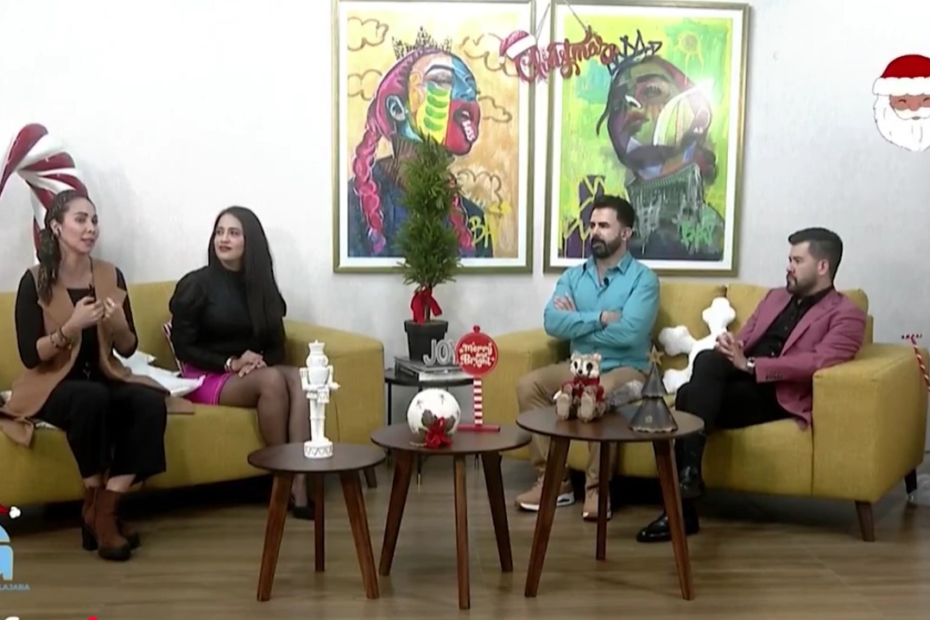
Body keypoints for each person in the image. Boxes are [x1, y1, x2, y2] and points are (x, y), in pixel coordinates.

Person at [636, 227, 867, 543]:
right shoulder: (775, 297)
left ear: (823, 266)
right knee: (707, 359)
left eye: (797, 261)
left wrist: (752, 365)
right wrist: (732, 346)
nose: (788, 266)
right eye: (789, 259)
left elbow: (817, 361)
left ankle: (681, 511)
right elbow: (745, 337)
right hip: (741, 375)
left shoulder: (847, 315)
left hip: (779, 393)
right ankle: (689, 477)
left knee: (689, 396)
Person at [0, 189, 187, 562]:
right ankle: (100, 510)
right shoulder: (34, 280)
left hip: (103, 376)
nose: (91, 228)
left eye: (94, 220)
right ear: (57, 227)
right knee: (90, 399)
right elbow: (30, 356)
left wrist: (119, 326)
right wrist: (71, 327)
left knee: (149, 403)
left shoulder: (109, 274)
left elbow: (128, 348)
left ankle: (103, 510)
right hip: (52, 385)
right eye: (81, 220)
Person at [515, 195, 660, 521]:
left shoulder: (643, 280)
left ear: (625, 233)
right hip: (579, 366)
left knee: (595, 392)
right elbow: (552, 323)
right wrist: (600, 318)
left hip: (628, 369)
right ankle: (555, 481)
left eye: (604, 225)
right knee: (528, 385)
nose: (594, 231)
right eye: (592, 224)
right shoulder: (573, 277)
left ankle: (597, 489)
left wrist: (577, 324)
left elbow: (631, 334)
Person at [167, 206, 313, 519]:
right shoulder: (196, 284)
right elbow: (184, 346)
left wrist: (257, 363)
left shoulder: (262, 287)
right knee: (272, 381)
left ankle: (300, 483)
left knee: (300, 378)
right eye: (219, 232)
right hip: (203, 375)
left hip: (247, 374)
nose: (224, 239)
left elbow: (276, 345)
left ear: (250, 242)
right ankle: (281, 476)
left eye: (233, 233)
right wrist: (231, 363)